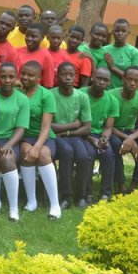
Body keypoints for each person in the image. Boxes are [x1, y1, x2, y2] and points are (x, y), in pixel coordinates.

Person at [0, 63, 29, 221]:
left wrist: (9, 145)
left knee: (7, 159)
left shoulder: (22, 99)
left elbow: (21, 128)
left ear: (16, 78)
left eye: (11, 77)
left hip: (11, 139)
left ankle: (13, 208)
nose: (7, 80)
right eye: (3, 77)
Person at [19, 60, 61, 219]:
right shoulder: (18, 92)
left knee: (43, 154)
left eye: (30, 75)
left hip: (43, 136)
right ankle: (32, 201)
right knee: (25, 152)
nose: (25, 77)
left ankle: (55, 205)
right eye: (23, 73)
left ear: (39, 77)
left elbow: (46, 127)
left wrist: (36, 147)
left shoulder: (46, 95)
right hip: (24, 136)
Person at [51, 62, 92, 209]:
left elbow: (87, 127)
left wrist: (67, 132)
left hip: (73, 136)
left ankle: (80, 196)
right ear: (57, 76)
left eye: (71, 75)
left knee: (83, 157)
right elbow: (48, 125)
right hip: (54, 136)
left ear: (75, 77)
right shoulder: (50, 95)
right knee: (67, 152)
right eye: (64, 74)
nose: (68, 78)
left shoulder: (82, 96)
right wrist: (73, 125)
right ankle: (66, 196)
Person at [109, 66, 138, 194]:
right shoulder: (111, 95)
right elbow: (108, 127)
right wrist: (129, 140)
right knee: (116, 144)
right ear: (123, 79)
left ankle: (134, 183)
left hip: (130, 132)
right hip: (113, 131)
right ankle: (121, 184)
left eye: (136, 80)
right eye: (129, 79)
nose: (132, 83)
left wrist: (131, 138)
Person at [86, 67, 118, 202]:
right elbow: (77, 124)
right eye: (99, 78)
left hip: (99, 135)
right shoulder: (81, 95)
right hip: (82, 134)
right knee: (89, 154)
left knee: (108, 154)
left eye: (105, 80)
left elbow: (108, 127)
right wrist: (91, 139)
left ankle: (106, 192)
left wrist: (104, 139)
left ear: (109, 82)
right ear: (92, 77)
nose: (101, 82)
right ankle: (87, 192)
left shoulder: (112, 100)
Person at [103, 19, 138, 89]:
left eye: (123, 31)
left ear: (128, 33)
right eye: (117, 31)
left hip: (124, 92)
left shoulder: (134, 52)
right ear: (112, 32)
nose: (120, 33)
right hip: (105, 92)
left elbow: (134, 78)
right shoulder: (104, 50)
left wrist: (113, 67)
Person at [16, 23, 55, 88]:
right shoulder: (16, 51)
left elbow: (48, 84)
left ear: (42, 38)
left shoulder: (46, 57)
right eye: (27, 35)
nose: (29, 39)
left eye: (33, 37)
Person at [0, 11, 19, 84]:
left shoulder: (12, 52)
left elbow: (12, 77)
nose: (3, 26)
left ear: (12, 28)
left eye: (8, 25)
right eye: (1, 23)